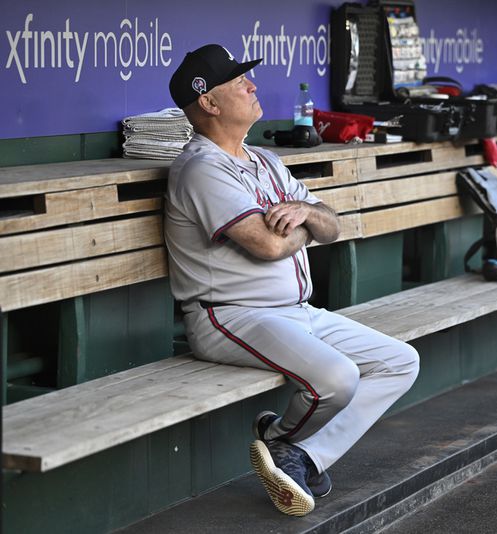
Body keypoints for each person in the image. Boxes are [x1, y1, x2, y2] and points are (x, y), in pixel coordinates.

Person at [165, 44, 420, 517]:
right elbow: (266, 245)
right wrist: (309, 222)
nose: (252, 84)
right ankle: (281, 440)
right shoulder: (201, 168)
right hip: (230, 316)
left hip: (295, 313)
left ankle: (301, 453)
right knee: (337, 378)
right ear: (209, 102)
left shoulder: (264, 160)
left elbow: (332, 224)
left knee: (401, 361)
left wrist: (304, 212)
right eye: (238, 81)